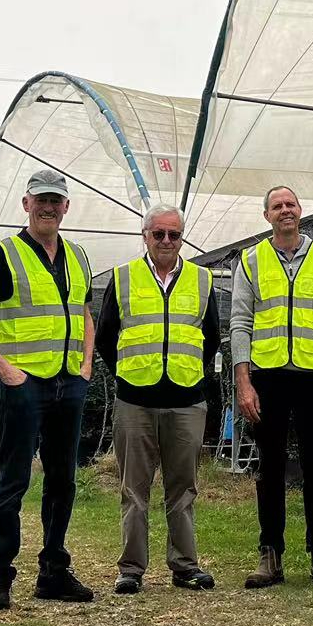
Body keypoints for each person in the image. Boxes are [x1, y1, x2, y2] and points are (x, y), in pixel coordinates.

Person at [0, 168, 95, 611]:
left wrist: (86, 366)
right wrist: (6, 371)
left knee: (63, 480)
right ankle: (0, 574)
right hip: (25, 385)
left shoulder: (77, 255)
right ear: (26, 204)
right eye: (41, 200)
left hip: (68, 382)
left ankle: (54, 569)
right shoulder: (5, 255)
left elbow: (85, 313)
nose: (49, 207)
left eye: (56, 200)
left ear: (66, 206)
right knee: (13, 480)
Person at [96, 204, 221, 594]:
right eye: (159, 234)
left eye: (174, 234)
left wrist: (188, 374)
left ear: (182, 237)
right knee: (134, 489)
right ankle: (131, 568)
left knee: (183, 488)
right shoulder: (123, 278)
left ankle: (185, 565)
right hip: (135, 400)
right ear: (145, 236)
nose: (167, 241)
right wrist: (130, 375)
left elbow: (211, 337)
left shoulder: (202, 280)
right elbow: (105, 337)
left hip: (186, 400)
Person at [231, 184, 313, 589]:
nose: (285, 210)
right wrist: (243, 382)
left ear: (301, 211)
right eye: (277, 206)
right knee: (270, 466)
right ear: (267, 215)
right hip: (268, 376)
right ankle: (270, 555)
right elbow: (240, 323)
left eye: (291, 204)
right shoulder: (250, 261)